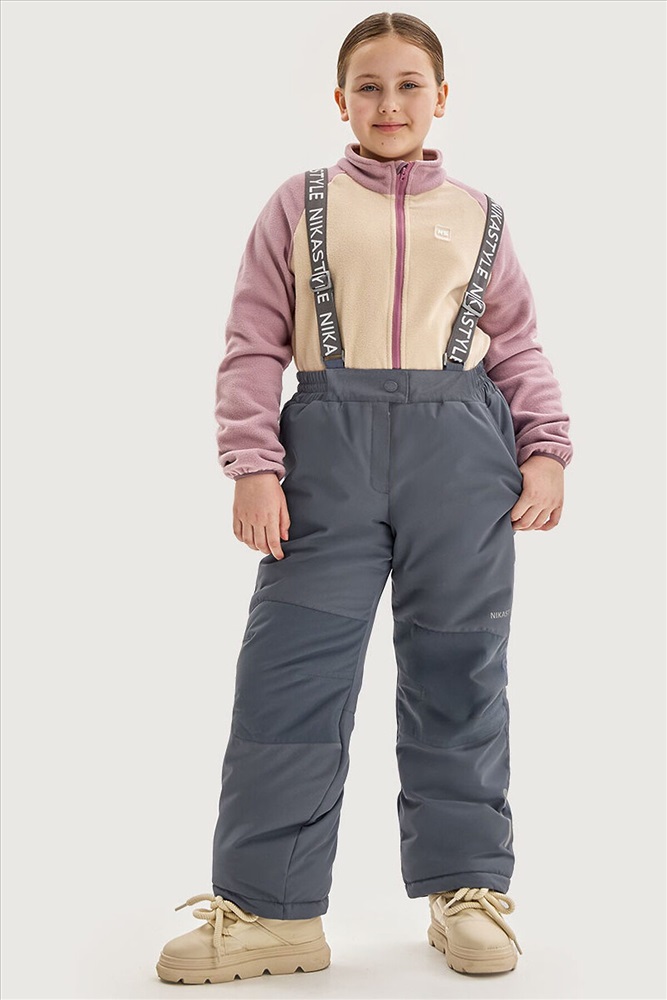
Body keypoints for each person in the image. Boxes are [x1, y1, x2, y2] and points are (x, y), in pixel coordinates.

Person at [155, 10, 573, 986]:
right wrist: (252, 464)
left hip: (462, 458)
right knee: (288, 676)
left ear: (440, 97)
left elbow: (516, 345)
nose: (390, 103)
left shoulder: (479, 215)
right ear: (341, 101)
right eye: (370, 87)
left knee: (459, 673)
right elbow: (253, 340)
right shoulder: (298, 204)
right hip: (325, 458)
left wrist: (547, 451)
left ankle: (466, 888)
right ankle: (271, 910)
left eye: (408, 84)